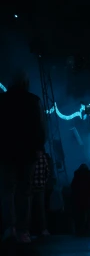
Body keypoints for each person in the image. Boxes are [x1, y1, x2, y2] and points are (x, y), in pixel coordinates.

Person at [0, 70, 46, 243]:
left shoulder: (2, 100)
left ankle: (8, 228)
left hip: (5, 152)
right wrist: (38, 147)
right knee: (24, 191)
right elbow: (41, 128)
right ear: (26, 82)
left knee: (7, 191)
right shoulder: (34, 101)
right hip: (27, 152)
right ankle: (23, 231)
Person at [71, 164, 90, 235]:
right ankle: (87, 230)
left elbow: (72, 187)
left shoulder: (77, 176)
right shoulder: (89, 176)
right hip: (88, 199)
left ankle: (79, 230)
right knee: (88, 215)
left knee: (79, 215)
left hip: (78, 199)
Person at [31, 149, 51, 237]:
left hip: (30, 187)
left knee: (28, 208)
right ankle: (43, 229)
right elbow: (47, 172)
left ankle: (26, 230)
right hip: (41, 187)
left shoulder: (30, 157)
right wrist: (44, 182)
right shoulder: (43, 158)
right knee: (40, 209)